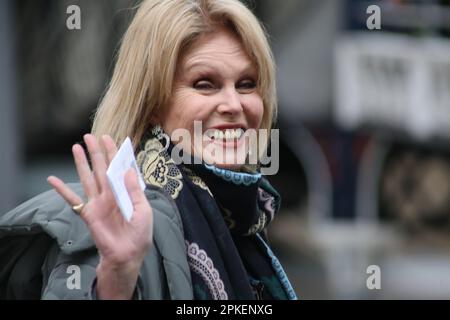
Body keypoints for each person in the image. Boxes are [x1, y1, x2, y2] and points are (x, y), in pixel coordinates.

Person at [0, 0, 297, 300]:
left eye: (247, 84)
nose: (234, 105)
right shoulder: (117, 217)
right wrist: (117, 276)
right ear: (152, 104)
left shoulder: (245, 217)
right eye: (205, 84)